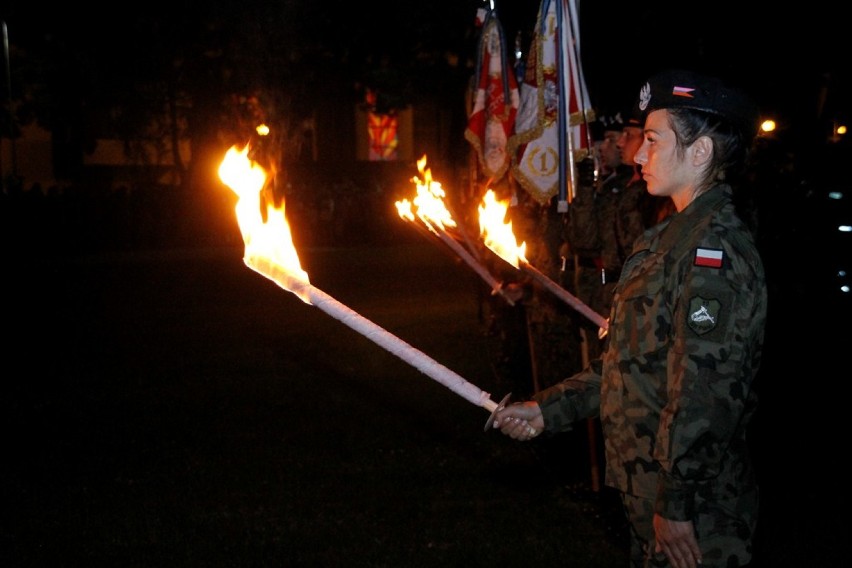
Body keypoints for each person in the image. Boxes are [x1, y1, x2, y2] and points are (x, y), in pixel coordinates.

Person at [491, 69, 767, 568]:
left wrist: (677, 501)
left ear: (701, 152)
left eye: (654, 141)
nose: (639, 154)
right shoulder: (665, 241)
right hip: (651, 500)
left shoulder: (714, 251)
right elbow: (629, 367)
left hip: (696, 517)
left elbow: (705, 390)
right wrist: (546, 410)